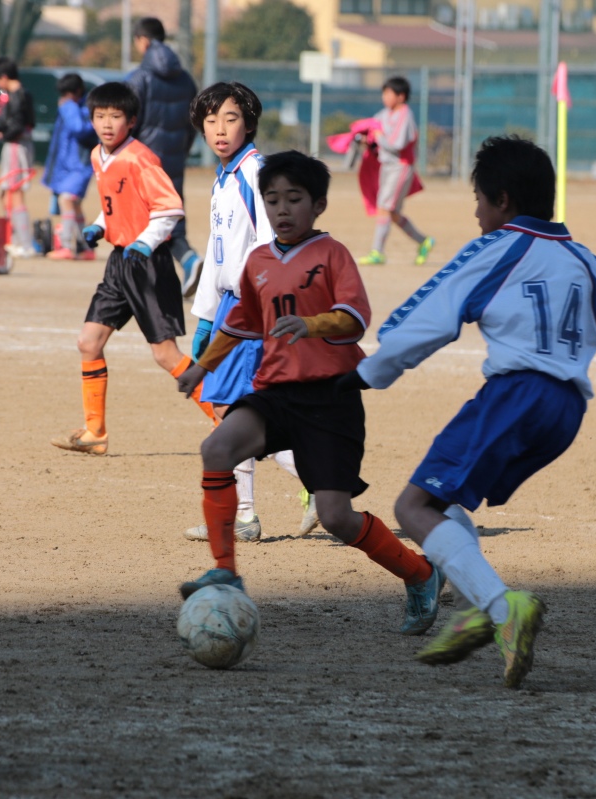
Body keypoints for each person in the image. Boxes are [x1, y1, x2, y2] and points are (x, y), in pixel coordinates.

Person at [341, 135, 596, 687]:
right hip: (566, 411)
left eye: (478, 200)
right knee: (447, 500)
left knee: (412, 506)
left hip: (515, 396)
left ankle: (502, 610)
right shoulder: (582, 258)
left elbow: (430, 316)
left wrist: (367, 373)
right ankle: (475, 607)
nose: (476, 213)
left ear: (502, 200)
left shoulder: (496, 247)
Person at [176, 150, 444, 637]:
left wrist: (311, 324)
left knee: (336, 517)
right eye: (272, 199)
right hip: (276, 392)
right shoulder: (259, 260)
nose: (282, 209)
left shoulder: (332, 254)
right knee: (217, 448)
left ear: (318, 205)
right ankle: (225, 571)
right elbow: (240, 324)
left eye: (294, 199)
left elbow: (356, 317)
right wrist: (201, 367)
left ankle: (420, 573)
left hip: (331, 397)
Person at [181, 81, 317, 544]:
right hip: (229, 306)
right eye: (211, 120)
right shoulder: (224, 177)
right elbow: (218, 254)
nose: (220, 129)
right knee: (241, 409)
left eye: (231, 118)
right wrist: (206, 315)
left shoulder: (255, 172)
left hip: (250, 307)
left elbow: (272, 242)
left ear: (250, 123)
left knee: (232, 409)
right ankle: (313, 486)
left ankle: (244, 515)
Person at [50, 82, 214, 456]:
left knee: (165, 354)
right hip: (119, 263)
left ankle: (226, 417)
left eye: (116, 116)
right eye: (100, 116)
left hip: (148, 264)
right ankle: (95, 433)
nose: (107, 124)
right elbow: (117, 203)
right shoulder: (98, 155)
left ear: (132, 120)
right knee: (89, 342)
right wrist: (100, 225)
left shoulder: (141, 159)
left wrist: (145, 241)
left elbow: (170, 208)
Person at [126, 16, 202, 296]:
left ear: (142, 40)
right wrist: (182, 149)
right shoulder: (185, 79)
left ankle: (148, 284)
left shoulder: (139, 78)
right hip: (174, 157)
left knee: (143, 222)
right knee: (171, 217)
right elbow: (194, 121)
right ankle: (190, 260)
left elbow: (128, 123)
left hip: (144, 161)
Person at [357, 76, 435, 267]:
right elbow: (372, 127)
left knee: (384, 207)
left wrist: (379, 137)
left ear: (401, 96)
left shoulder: (405, 115)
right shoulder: (385, 114)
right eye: (384, 93)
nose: (384, 97)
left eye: (388, 93)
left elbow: (397, 144)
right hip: (387, 166)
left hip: (400, 167)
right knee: (392, 213)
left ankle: (377, 252)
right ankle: (424, 241)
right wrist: (364, 136)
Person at [43, 72, 97, 261]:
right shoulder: (74, 106)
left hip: (80, 165)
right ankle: (86, 248)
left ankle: (66, 245)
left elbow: (79, 129)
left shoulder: (79, 107)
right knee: (75, 204)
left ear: (78, 91)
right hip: (68, 165)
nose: (65, 98)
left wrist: (68, 107)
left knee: (66, 199)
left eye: (69, 93)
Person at [0, 56, 36, 258]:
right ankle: (14, 239)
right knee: (6, 194)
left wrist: (3, 134)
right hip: (18, 145)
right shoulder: (21, 94)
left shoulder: (17, 96)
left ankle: (24, 244)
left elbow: (17, 125)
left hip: (16, 146)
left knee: (15, 194)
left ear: (4, 77)